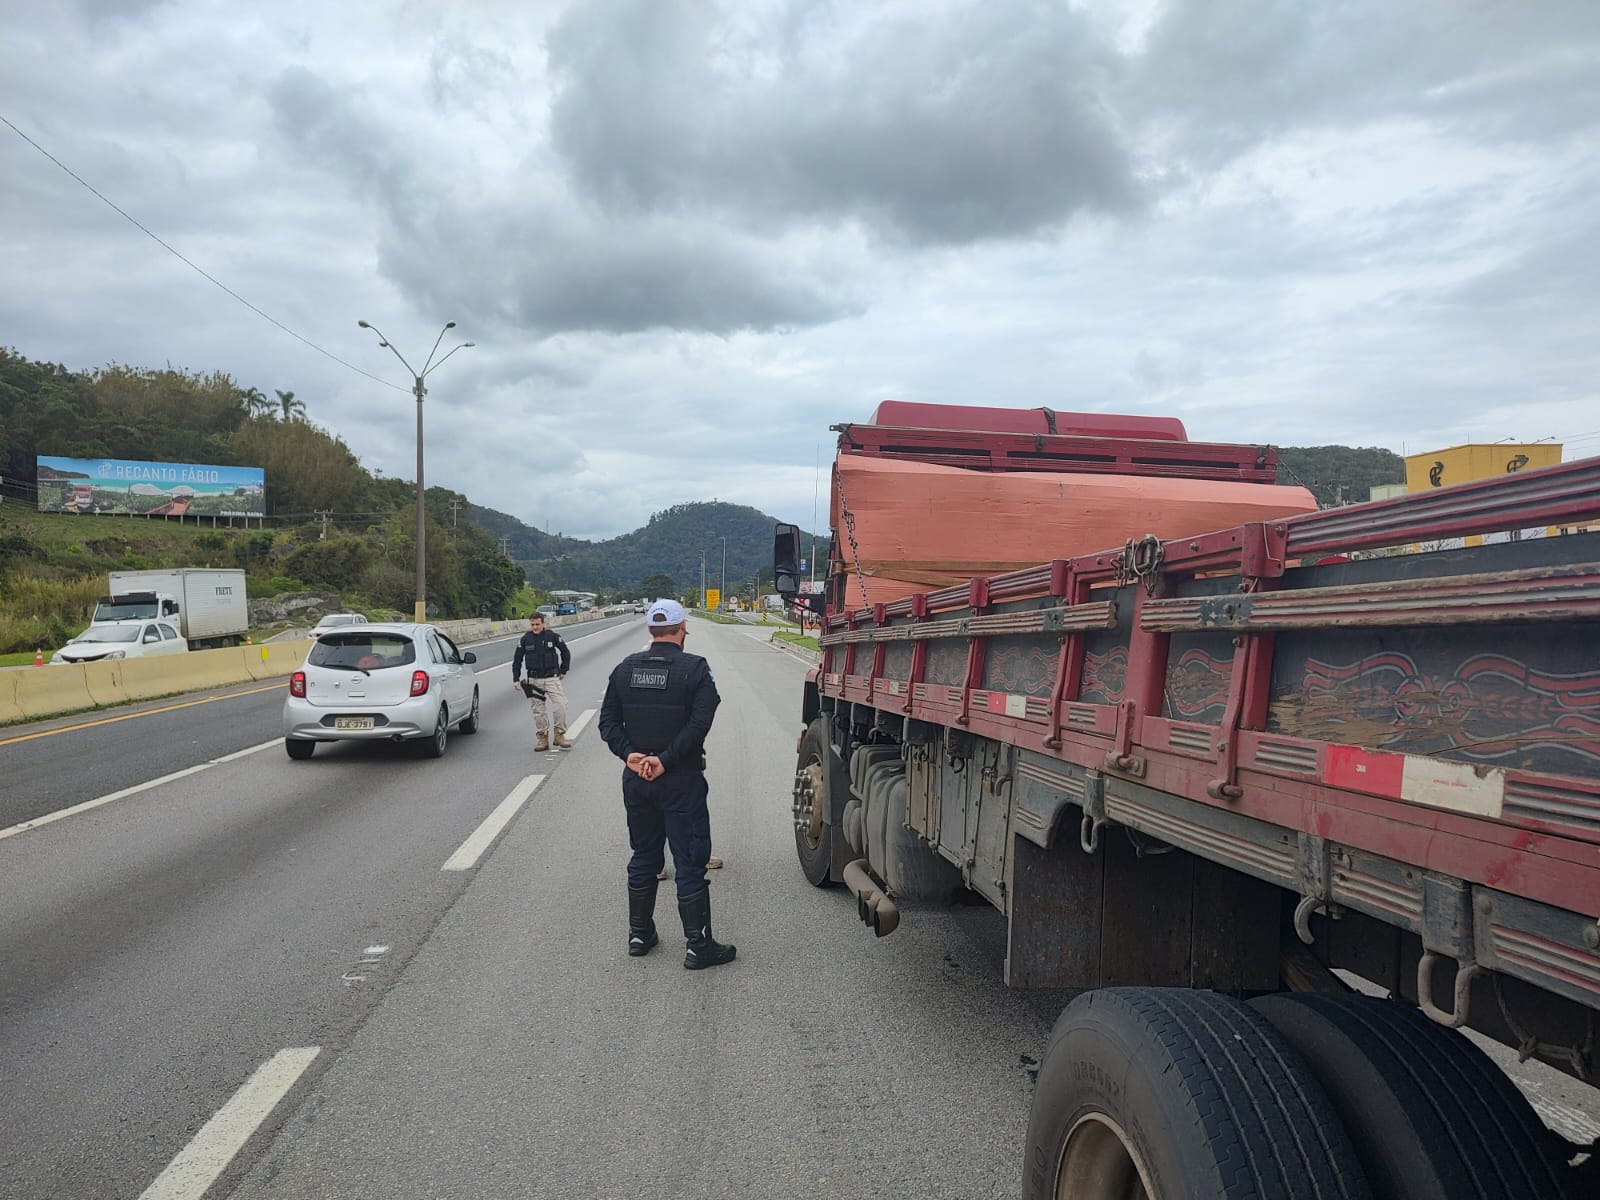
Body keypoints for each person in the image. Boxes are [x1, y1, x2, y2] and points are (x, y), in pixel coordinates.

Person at [599, 599, 736, 969]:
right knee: (690, 861)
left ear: (650, 630)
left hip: (637, 780)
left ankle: (639, 934)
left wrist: (630, 754)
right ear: (682, 629)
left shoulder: (624, 669)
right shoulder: (694, 669)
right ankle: (698, 946)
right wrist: (665, 760)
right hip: (680, 781)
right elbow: (699, 724)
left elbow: (607, 722)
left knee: (644, 856)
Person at [512, 612, 571, 752]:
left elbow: (565, 652)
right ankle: (542, 738)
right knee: (539, 711)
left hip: (551, 678)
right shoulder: (525, 640)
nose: (535, 627)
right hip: (534, 680)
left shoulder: (552, 636)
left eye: (538, 624)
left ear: (543, 623)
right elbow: (517, 660)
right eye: (532, 625)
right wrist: (516, 678)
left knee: (561, 705)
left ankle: (559, 734)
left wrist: (564, 670)